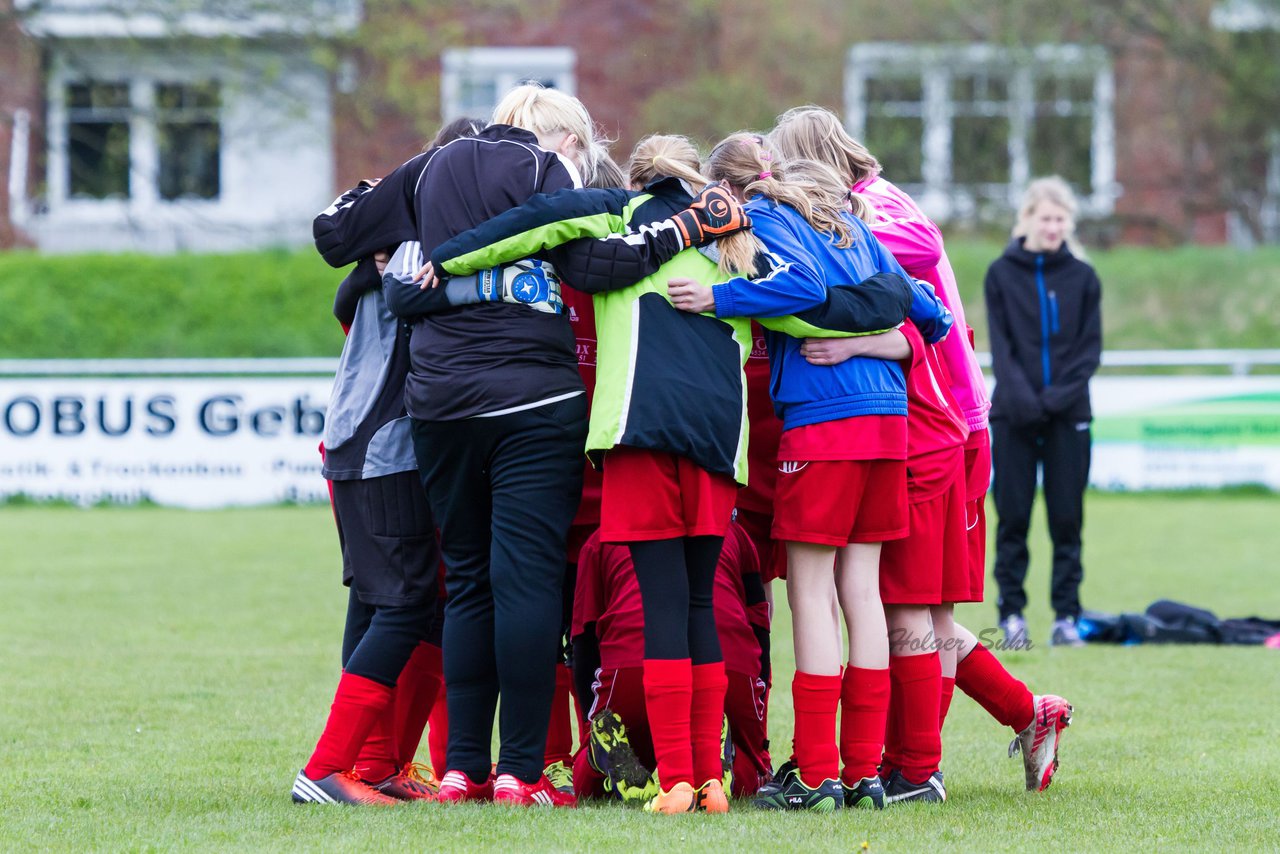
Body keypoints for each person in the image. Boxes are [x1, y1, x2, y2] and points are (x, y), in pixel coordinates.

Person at [422, 133, 911, 813]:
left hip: (638, 434)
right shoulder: (736, 238)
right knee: (700, 606)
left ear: (638, 173)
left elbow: (523, 228)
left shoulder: (618, 215)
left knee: (659, 611)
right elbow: (819, 302)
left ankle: (678, 777)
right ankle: (714, 781)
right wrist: (872, 318)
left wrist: (444, 260)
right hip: (717, 444)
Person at [770, 107, 1073, 793]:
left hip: (940, 425)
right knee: (904, 601)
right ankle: (1006, 721)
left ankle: (911, 766)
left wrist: (858, 335)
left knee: (904, 601)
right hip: (922, 421)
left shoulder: (874, 208)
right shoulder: (855, 209)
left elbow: (916, 277)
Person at [671, 137, 953, 812]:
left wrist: (717, 297)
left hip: (823, 422)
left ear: (737, 194)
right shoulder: (852, 226)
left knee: (812, 594)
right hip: (889, 424)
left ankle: (817, 771)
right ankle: (864, 774)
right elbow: (932, 314)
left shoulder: (765, 218)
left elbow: (797, 286)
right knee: (862, 592)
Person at [289, 118, 482, 806]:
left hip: (388, 445)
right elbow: (349, 283)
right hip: (378, 447)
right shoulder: (406, 236)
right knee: (398, 602)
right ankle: (327, 770)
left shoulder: (407, 238)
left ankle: (376, 765)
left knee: (407, 603)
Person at [570, 520, 772, 801]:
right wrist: (759, 745)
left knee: (585, 779)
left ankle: (596, 755)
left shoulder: (602, 535)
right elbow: (761, 630)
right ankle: (724, 760)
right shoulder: (735, 532)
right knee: (753, 773)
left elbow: (584, 643)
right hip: (725, 662)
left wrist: (587, 730)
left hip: (635, 661)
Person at [985, 176, 1102, 649]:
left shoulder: (1083, 277)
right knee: (1013, 517)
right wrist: (1026, 401)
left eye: (1061, 219)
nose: (1054, 227)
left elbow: (1088, 351)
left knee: (1067, 519)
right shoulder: (1001, 274)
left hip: (1067, 416)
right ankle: (1012, 614)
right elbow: (1002, 347)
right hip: (1014, 415)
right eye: (1046, 218)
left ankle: (1066, 617)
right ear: (1028, 218)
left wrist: (1053, 402)